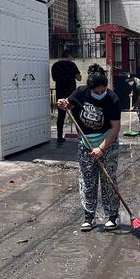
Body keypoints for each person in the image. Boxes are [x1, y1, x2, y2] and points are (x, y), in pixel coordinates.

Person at [57, 65, 122, 231]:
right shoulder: (81, 93)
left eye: (103, 91)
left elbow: (115, 127)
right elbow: (69, 105)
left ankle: (112, 216)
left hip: (107, 144)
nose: (100, 94)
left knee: (108, 180)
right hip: (86, 145)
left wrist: (101, 148)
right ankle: (89, 217)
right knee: (87, 181)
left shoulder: (112, 98)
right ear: (90, 89)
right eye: (96, 92)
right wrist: (64, 103)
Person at [51, 50, 81, 145]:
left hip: (60, 93)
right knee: (76, 115)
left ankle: (59, 137)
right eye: (72, 57)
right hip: (72, 95)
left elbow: (54, 79)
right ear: (69, 56)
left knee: (61, 116)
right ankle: (81, 137)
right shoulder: (72, 65)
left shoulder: (55, 65)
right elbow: (79, 78)